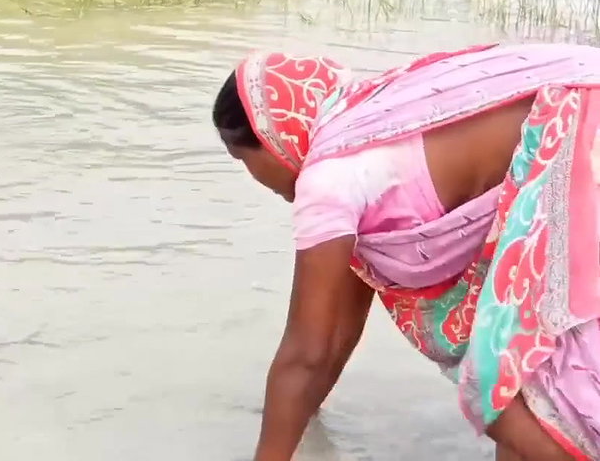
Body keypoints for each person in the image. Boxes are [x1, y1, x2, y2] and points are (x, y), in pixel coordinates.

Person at [213, 42, 600, 461]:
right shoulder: (368, 128)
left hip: (580, 129)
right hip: (585, 95)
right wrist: (306, 423)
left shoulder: (328, 179)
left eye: (240, 159)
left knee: (503, 392)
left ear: (271, 137)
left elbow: (306, 353)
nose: (253, 178)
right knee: (521, 375)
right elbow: (335, 335)